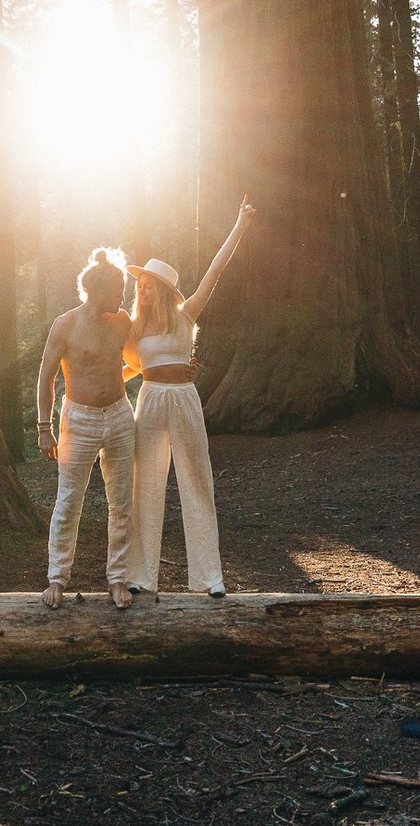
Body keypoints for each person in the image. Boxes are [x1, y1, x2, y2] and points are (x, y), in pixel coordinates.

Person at [123, 196, 257, 598]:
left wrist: (240, 224)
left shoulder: (186, 315)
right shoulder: (134, 327)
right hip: (149, 400)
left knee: (197, 481)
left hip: (183, 398)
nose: (141, 289)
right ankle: (141, 577)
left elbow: (215, 271)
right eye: (139, 284)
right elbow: (130, 368)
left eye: (148, 285)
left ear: (163, 289)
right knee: (144, 484)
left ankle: (208, 578)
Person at [37, 248, 136, 610]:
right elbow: (46, 376)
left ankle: (118, 578)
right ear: (98, 291)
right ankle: (57, 579)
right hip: (77, 420)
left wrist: (176, 367)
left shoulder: (123, 321)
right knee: (68, 501)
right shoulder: (66, 324)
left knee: (122, 501)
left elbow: (147, 353)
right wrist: (43, 428)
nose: (123, 298)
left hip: (121, 415)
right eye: (119, 290)